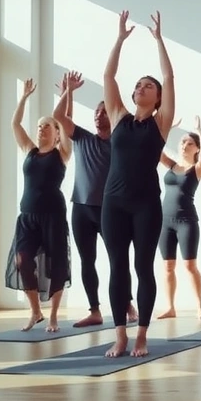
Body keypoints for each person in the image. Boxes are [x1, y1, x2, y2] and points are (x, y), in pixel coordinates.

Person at [100, 10, 176, 358]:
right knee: (117, 267)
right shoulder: (118, 117)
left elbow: (168, 76)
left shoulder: (160, 124)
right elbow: (108, 75)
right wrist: (119, 39)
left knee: (143, 267)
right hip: (113, 203)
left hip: (146, 204)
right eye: (139, 85)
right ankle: (120, 335)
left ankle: (142, 334)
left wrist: (159, 40)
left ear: (157, 97)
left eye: (149, 86)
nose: (142, 88)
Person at [51, 71, 138, 328]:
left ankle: (126, 303)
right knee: (87, 260)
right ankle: (95, 310)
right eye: (96, 113)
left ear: (112, 117)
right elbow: (59, 118)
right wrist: (68, 92)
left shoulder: (119, 144)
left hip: (110, 210)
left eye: (103, 112)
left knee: (117, 260)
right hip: (81, 208)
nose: (98, 116)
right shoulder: (83, 138)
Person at [4, 78, 72, 333]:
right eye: (39, 126)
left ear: (56, 134)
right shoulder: (29, 150)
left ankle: (53, 315)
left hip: (53, 215)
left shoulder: (62, 153)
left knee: (57, 266)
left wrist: (66, 93)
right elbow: (15, 123)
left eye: (47, 127)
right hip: (28, 216)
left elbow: (66, 121)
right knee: (22, 261)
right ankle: (36, 312)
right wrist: (23, 97)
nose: (42, 129)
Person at [156, 116, 201, 320]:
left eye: (190, 142)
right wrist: (167, 129)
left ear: (196, 149)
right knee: (168, 266)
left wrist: (200, 131)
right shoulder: (171, 165)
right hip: (165, 222)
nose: (185, 144)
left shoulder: (196, 170)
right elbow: (155, 147)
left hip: (186, 221)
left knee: (190, 265)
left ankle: (200, 305)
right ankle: (170, 307)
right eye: (182, 141)